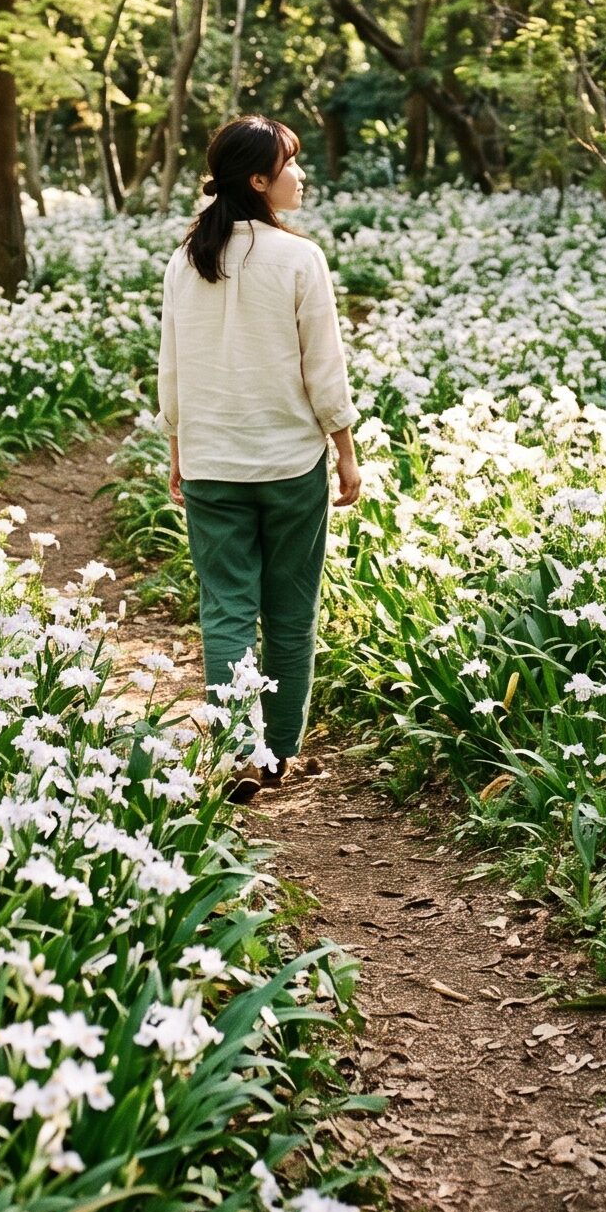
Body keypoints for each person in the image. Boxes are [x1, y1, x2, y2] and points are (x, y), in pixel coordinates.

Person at [156, 115, 361, 803]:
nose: (300, 175)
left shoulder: (186, 260)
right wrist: (345, 451)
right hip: (289, 463)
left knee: (226, 610)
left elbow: (172, 368)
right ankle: (277, 753)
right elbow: (324, 368)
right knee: (291, 611)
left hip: (212, 461)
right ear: (257, 180)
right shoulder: (299, 258)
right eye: (290, 164)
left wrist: (178, 447)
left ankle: (238, 750)